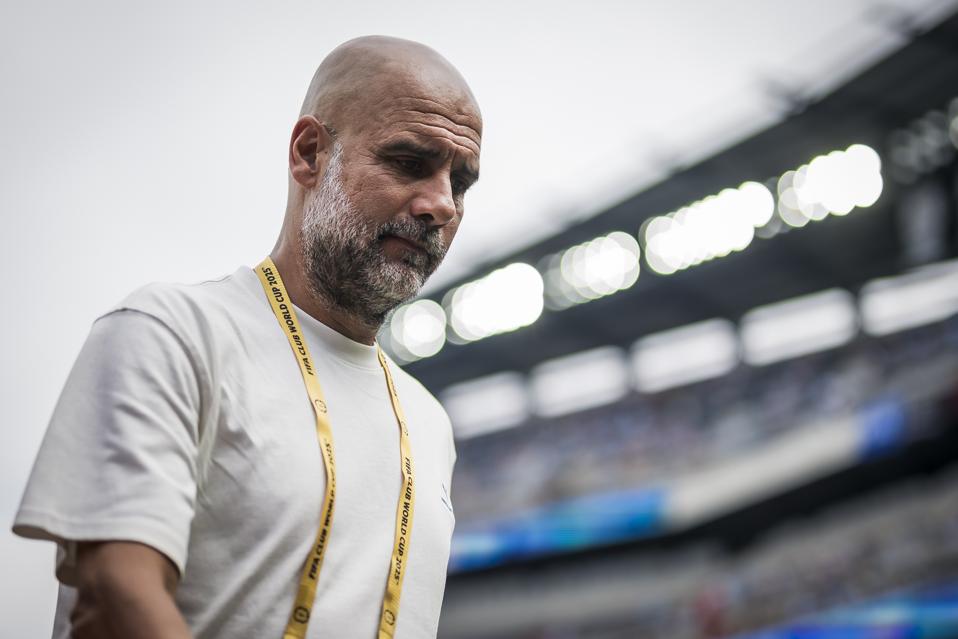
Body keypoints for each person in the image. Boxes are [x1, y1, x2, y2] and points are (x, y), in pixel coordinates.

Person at [13, 35, 482, 639]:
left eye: (461, 183)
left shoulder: (430, 423)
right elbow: (112, 602)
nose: (442, 204)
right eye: (409, 162)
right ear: (309, 154)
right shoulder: (172, 333)